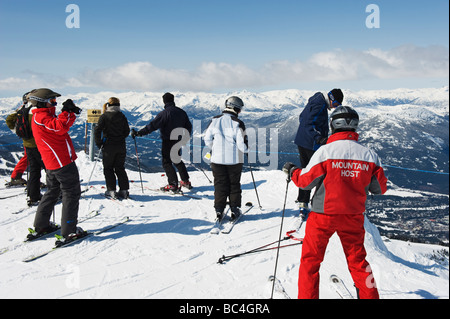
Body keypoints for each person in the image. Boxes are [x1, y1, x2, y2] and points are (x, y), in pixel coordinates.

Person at [283, 105, 388, 299]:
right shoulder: (369, 155)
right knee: (359, 262)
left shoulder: (325, 152)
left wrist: (292, 171)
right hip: (353, 216)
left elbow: (305, 182)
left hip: (322, 215)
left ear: (333, 125)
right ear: (355, 127)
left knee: (311, 262)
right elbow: (380, 188)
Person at [28, 88, 84, 244]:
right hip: (61, 163)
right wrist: (65, 112)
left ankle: (41, 226)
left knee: (53, 191)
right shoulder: (41, 117)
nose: (55, 103)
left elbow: (62, 127)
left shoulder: (43, 116)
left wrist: (70, 112)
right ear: (42, 102)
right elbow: (59, 127)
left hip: (53, 162)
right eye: (52, 101)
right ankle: (69, 231)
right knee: (71, 193)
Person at [293, 89, 344, 215]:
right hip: (311, 144)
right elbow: (310, 124)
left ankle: (302, 201)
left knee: (306, 171)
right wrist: (319, 137)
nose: (334, 108)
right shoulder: (319, 105)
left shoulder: (316, 101)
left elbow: (302, 118)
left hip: (303, 142)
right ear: (331, 98)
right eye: (336, 104)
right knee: (315, 173)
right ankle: (313, 203)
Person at [131, 92, 192, 192]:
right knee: (177, 160)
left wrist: (139, 133)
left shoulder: (164, 113)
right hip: (178, 140)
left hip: (168, 141)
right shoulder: (181, 112)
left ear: (164, 101)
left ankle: (173, 184)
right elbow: (188, 126)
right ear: (173, 100)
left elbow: (152, 126)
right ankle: (185, 181)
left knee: (167, 162)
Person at [204, 96, 248, 221]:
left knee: (219, 184)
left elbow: (207, 139)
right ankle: (234, 209)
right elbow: (241, 145)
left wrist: (215, 148)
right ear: (236, 108)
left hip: (216, 160)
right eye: (240, 109)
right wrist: (247, 150)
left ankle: (219, 210)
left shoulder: (214, 120)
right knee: (234, 185)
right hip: (234, 160)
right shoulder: (238, 123)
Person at [5, 92, 45, 206]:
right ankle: (58, 190)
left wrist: (18, 131)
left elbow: (9, 120)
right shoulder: (35, 112)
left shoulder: (22, 110)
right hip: (38, 144)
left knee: (33, 168)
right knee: (48, 167)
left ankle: (32, 192)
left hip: (27, 142)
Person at [94, 97, 131, 199]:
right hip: (121, 145)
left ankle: (111, 190)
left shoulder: (104, 116)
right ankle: (124, 190)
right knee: (120, 168)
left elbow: (97, 130)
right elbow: (127, 131)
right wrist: (120, 137)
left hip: (108, 146)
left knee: (108, 168)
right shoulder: (122, 116)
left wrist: (99, 143)